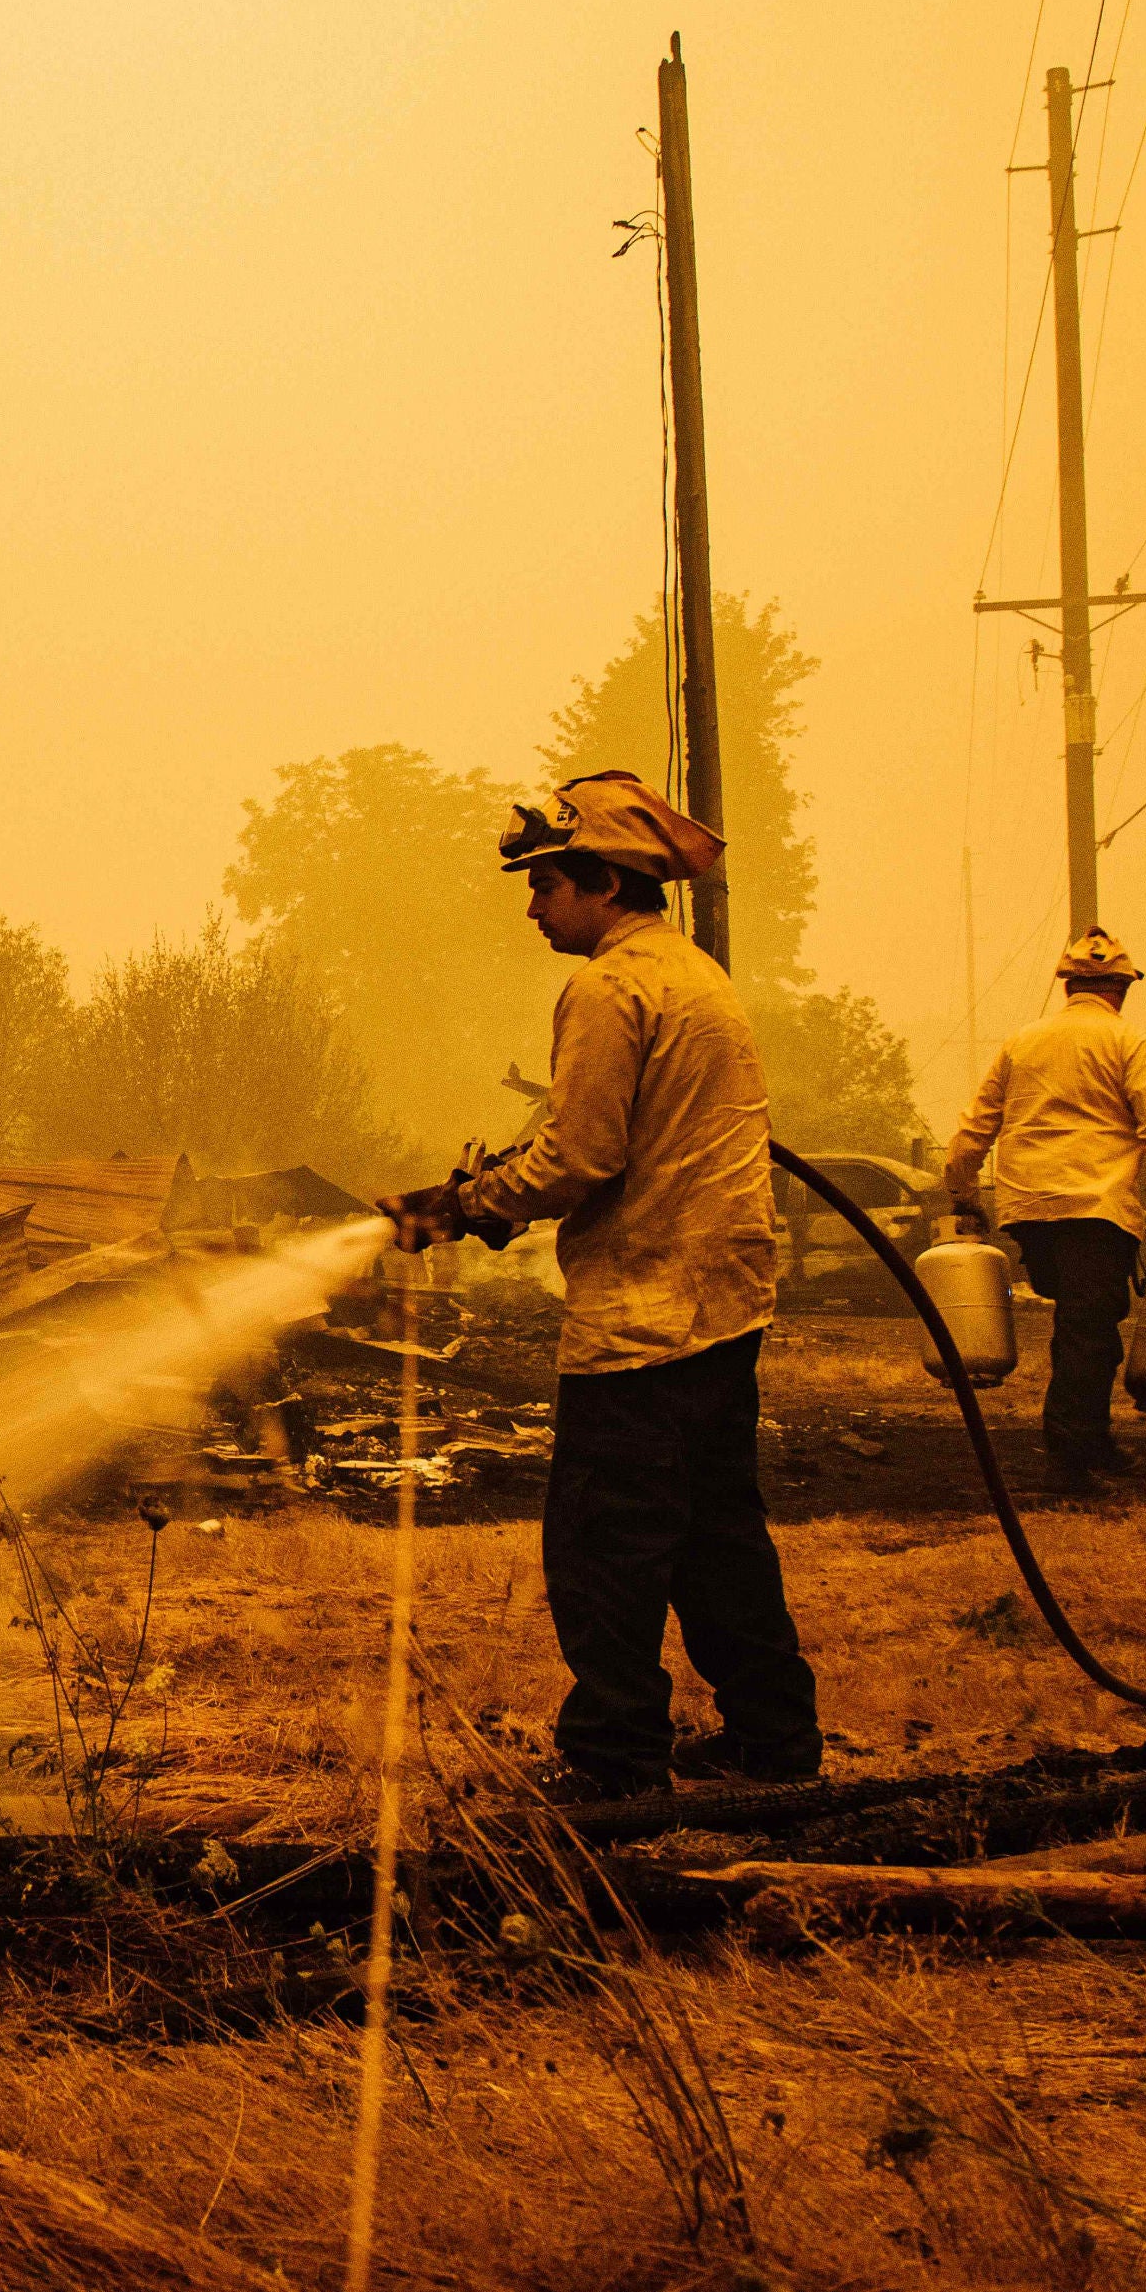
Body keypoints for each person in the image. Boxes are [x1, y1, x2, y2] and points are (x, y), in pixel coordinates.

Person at [378, 770, 818, 1802]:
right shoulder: (694, 976)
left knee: (601, 1542)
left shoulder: (609, 988)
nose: (532, 908)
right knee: (716, 1537)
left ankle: (615, 1763)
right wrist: (484, 1193)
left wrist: (465, 1206)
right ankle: (773, 1743)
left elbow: (579, 1157)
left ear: (602, 884)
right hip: (720, 1301)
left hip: (644, 1309)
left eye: (545, 886)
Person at [937, 930, 1146, 1485]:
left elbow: (976, 1123)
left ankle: (1081, 1439)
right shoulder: (1131, 1044)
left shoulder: (1022, 1043)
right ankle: (1076, 1450)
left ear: (1068, 986)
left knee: (1079, 1317)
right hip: (1095, 1205)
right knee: (1090, 1327)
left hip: (1027, 1206)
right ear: (1121, 988)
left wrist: (963, 1192)